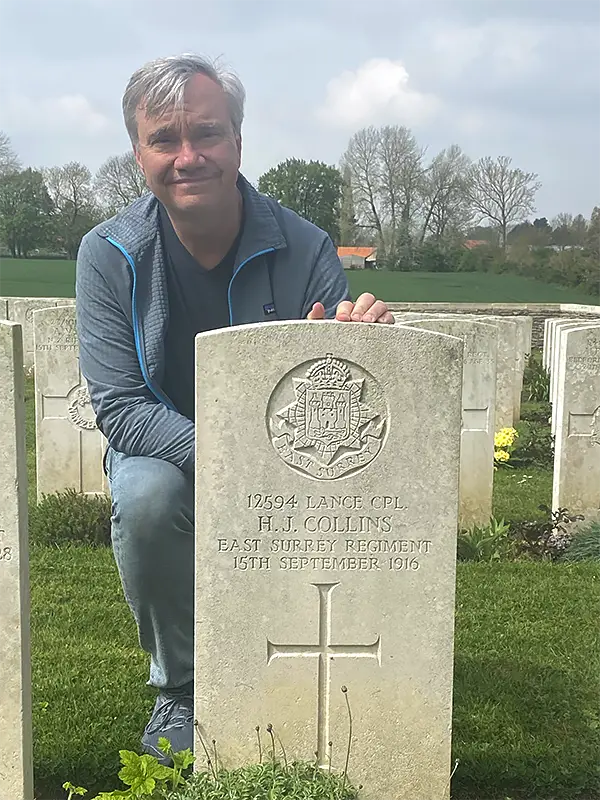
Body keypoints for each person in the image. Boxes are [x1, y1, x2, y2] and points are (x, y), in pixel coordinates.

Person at [75, 53, 394, 762]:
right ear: (138, 153)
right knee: (151, 497)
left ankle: (300, 651)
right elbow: (122, 406)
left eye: (208, 134)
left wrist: (367, 346)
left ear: (239, 143)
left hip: (279, 453)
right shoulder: (107, 254)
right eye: (165, 139)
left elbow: (333, 376)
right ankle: (179, 689)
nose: (188, 156)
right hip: (163, 448)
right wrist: (229, 458)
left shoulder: (305, 245)